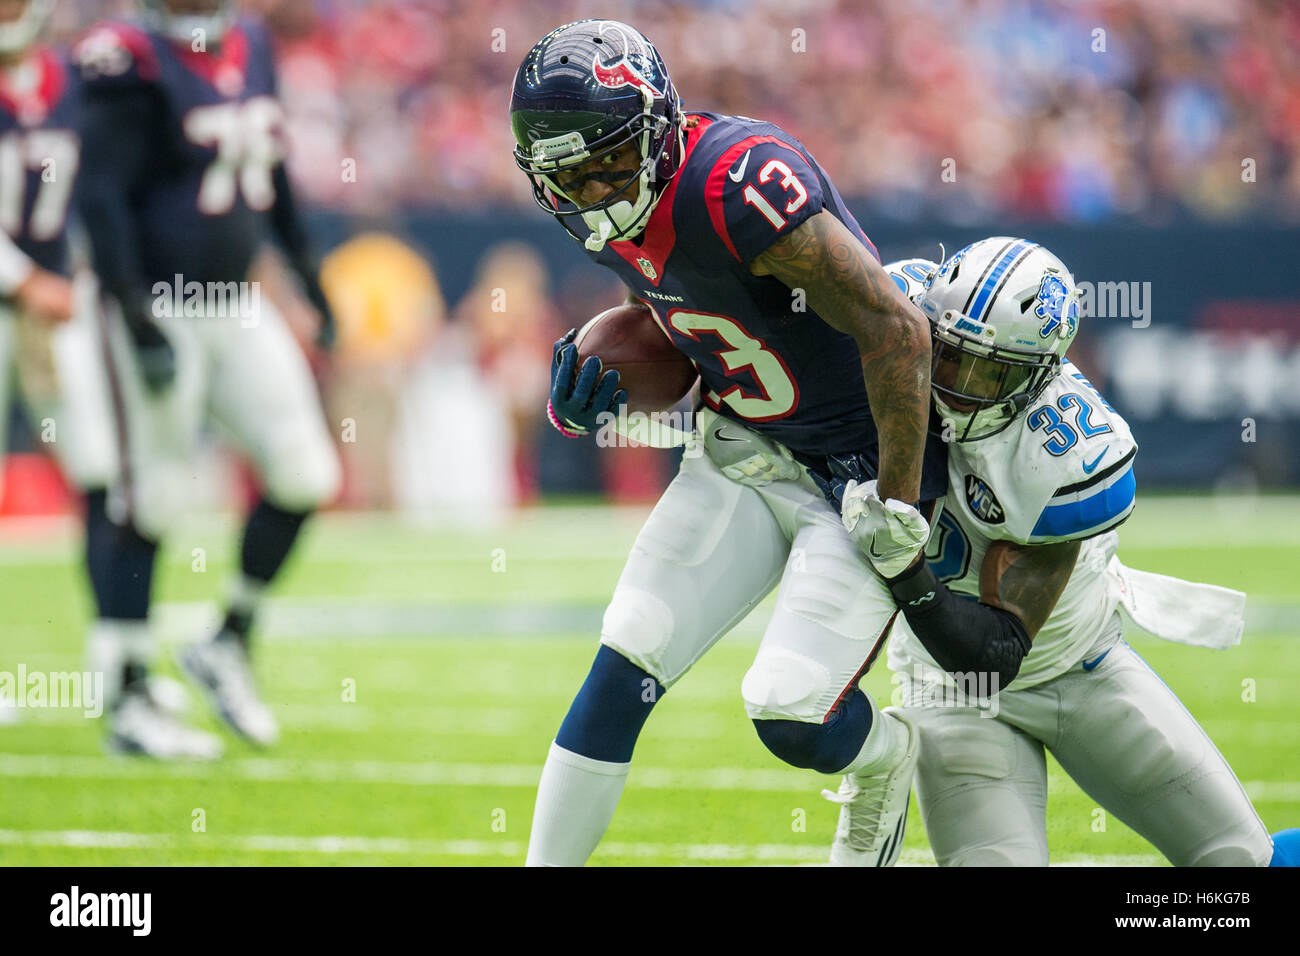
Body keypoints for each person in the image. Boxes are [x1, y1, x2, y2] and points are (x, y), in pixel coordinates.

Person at [511, 18, 945, 866]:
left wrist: (895, 500)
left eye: (605, 161)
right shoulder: (605, 212)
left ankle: (885, 757)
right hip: (746, 450)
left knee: (791, 709)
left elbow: (899, 332)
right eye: (566, 176)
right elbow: (689, 332)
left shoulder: (735, 184)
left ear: (660, 124)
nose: (593, 191)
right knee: (629, 647)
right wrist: (591, 404)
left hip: (857, 472)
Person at [814, 240, 1294, 865]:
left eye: (987, 373)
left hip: (1074, 669)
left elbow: (991, 652)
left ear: (1037, 375)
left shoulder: (1069, 457)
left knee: (1236, 864)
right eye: (948, 355)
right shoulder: (897, 313)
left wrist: (905, 568)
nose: (956, 384)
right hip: (949, 695)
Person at [73, 0, 340, 753]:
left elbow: (273, 173)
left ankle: (226, 639)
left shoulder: (248, 41)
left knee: (305, 472)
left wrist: (308, 277)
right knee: (154, 496)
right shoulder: (128, 56)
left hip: (237, 303)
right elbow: (100, 195)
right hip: (157, 301)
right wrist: (131, 311)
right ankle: (128, 696)